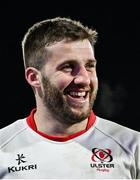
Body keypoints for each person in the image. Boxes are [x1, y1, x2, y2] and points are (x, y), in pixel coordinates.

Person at [0, 17, 140, 179]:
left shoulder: (133, 146)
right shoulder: (3, 149)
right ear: (34, 77)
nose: (84, 79)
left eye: (89, 66)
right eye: (68, 67)